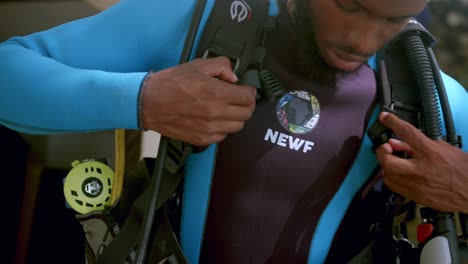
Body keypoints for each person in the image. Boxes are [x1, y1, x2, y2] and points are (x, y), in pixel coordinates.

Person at [0, 0, 467, 263]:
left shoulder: (426, 95)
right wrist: (144, 100)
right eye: (347, 4)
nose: (362, 40)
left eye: (392, 19)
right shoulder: (206, 20)